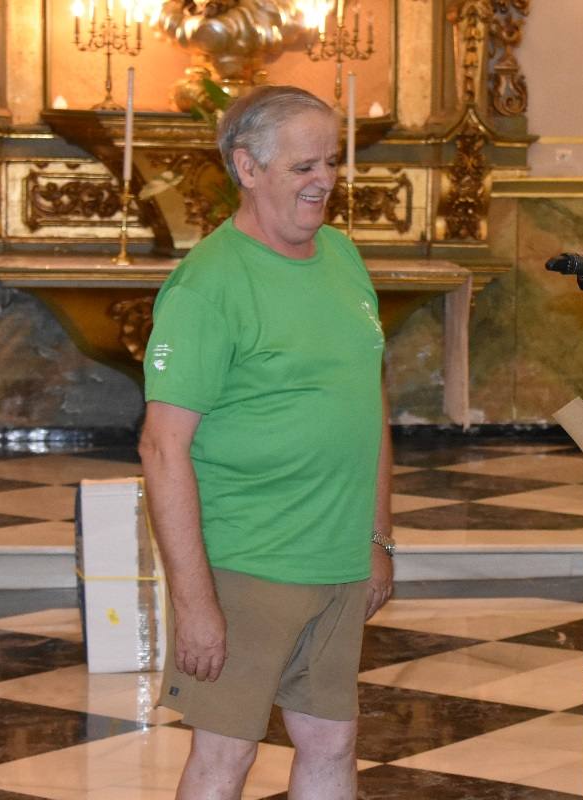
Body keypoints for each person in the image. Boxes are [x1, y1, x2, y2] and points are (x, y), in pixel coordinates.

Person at [138, 85, 395, 799]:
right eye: (304, 167)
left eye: (332, 163)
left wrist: (379, 537)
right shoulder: (208, 285)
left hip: (337, 557)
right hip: (249, 560)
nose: (326, 182)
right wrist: (194, 603)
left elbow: (366, 400)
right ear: (247, 168)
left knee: (333, 742)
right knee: (226, 758)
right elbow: (162, 448)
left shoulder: (342, 257)